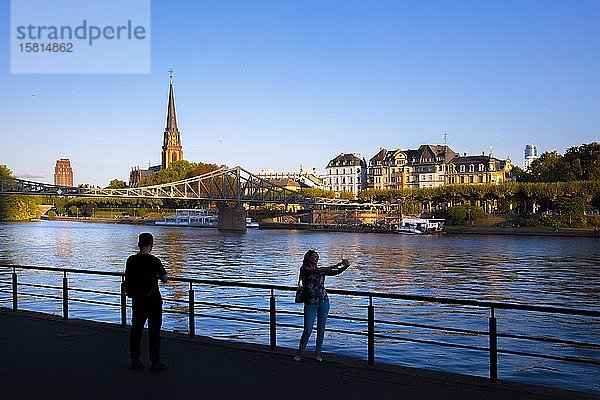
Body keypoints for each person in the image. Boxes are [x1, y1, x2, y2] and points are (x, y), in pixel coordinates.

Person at [294, 250, 350, 362]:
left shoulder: (320, 270)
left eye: (317, 256)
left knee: (321, 329)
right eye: (314, 256)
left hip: (323, 301)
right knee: (307, 330)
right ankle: (300, 353)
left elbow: (335, 273)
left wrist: (345, 266)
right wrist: (336, 265)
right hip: (310, 302)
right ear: (309, 258)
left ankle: (318, 354)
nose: (316, 258)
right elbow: (317, 270)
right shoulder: (304, 269)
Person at [124, 232, 169, 371]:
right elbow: (165, 278)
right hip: (153, 301)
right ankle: (155, 362)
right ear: (151, 245)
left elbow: (128, 278)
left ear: (138, 244)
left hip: (138, 300)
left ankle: (135, 360)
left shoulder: (131, 260)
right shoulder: (154, 260)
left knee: (136, 331)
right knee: (154, 332)